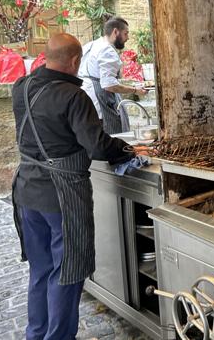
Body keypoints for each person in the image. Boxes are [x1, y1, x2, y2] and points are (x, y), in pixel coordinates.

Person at [11, 32, 132, 340]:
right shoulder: (73, 96)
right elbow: (97, 147)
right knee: (66, 273)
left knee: (40, 272)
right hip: (61, 196)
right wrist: (128, 150)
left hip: (26, 191)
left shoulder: (21, 88)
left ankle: (36, 334)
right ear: (76, 61)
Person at [78, 17, 147, 135]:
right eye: (126, 34)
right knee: (111, 134)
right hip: (99, 98)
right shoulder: (107, 51)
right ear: (116, 32)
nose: (127, 38)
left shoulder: (93, 44)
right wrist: (135, 90)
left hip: (85, 97)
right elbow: (109, 85)